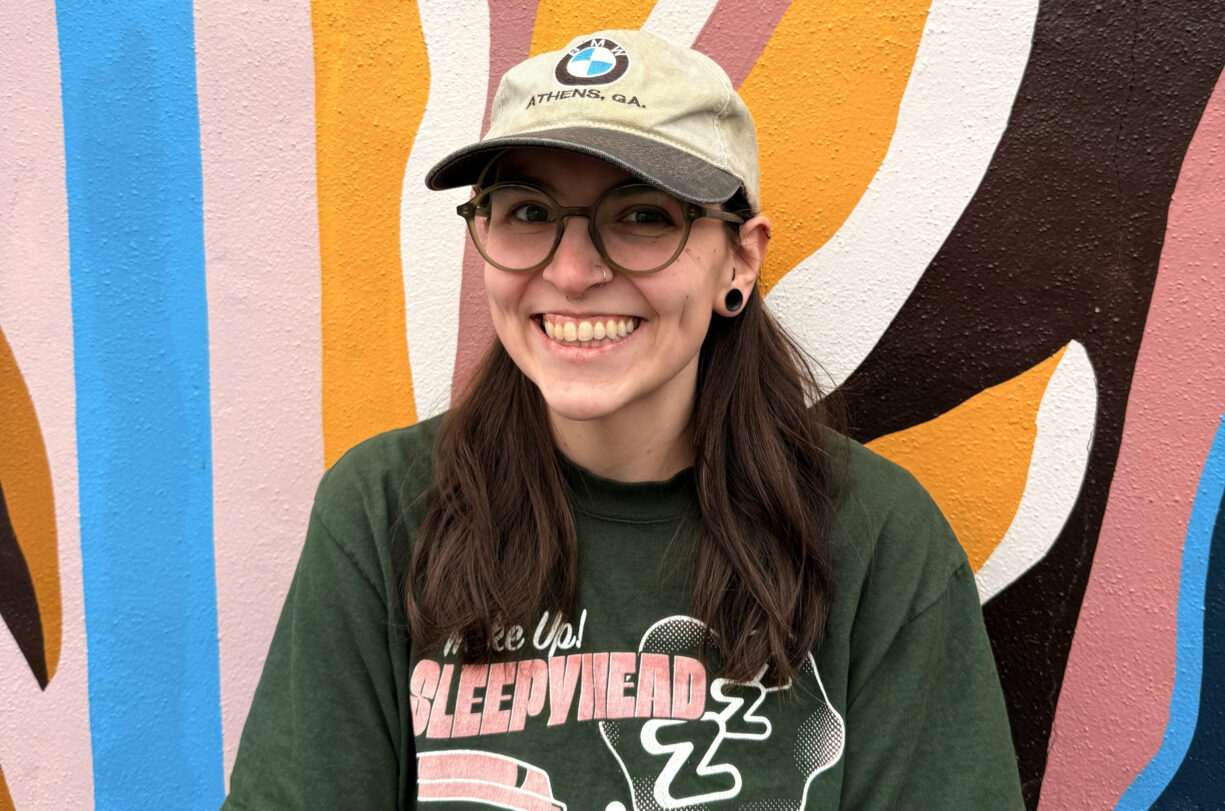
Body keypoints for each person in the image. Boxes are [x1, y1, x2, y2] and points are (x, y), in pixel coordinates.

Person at [223, 30, 1024, 810]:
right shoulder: (383, 510)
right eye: (527, 211)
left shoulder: (875, 538)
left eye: (641, 216)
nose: (572, 273)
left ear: (739, 259)